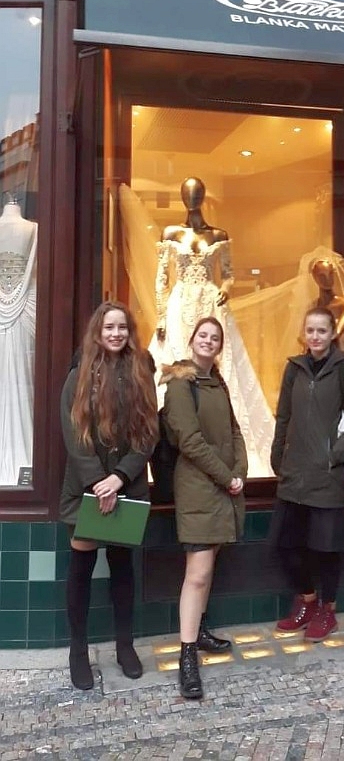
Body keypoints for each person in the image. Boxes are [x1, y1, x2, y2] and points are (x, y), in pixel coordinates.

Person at [144, 175, 273, 477]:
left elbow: (228, 274)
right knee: (177, 363)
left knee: (220, 364)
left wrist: (225, 289)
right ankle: (174, 439)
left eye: (197, 194)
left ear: (203, 197)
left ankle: (221, 436)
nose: (192, 199)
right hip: (179, 306)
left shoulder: (218, 235)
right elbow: (161, 279)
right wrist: (161, 316)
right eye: (187, 194)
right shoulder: (171, 233)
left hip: (211, 303)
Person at [59, 301, 158, 691]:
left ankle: (125, 646)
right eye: (109, 327)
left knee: (122, 568)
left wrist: (119, 478)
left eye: (122, 327)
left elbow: (149, 432)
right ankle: (77, 651)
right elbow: (72, 432)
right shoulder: (79, 372)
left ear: (129, 331)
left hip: (126, 486)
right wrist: (98, 480)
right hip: (86, 488)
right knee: (81, 570)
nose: (116, 333)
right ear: (98, 332)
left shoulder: (141, 370)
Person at [270, 306, 344, 642]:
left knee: (326, 549)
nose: (315, 337)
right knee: (286, 544)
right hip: (295, 473)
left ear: (332, 334)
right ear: (304, 333)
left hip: (329, 477)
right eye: (310, 330)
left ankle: (327, 610)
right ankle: (307, 600)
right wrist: (277, 455)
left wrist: (336, 454)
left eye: (322, 331)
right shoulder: (294, 368)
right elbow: (283, 415)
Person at [161, 316, 248, 700]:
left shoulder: (218, 382)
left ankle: (198, 630)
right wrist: (226, 476)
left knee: (209, 565)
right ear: (192, 339)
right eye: (203, 335)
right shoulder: (182, 383)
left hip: (223, 487)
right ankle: (187, 656)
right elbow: (189, 441)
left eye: (215, 337)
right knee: (196, 574)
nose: (208, 341)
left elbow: (235, 431)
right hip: (198, 488)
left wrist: (240, 471)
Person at [0, 198, 37, 485]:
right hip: (24, 311)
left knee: (23, 381)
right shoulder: (33, 229)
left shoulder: (34, 229)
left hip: (26, 314)